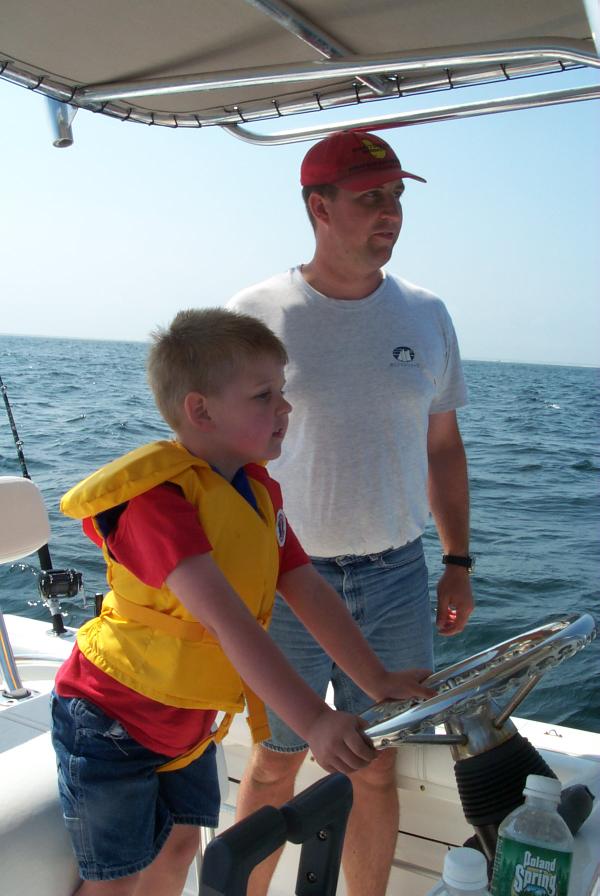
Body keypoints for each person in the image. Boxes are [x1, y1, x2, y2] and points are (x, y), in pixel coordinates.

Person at [51, 307, 433, 896]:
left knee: (181, 849)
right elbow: (230, 624)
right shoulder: (156, 503)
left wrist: (376, 679)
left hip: (188, 725)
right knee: (117, 882)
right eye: (263, 395)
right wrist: (314, 720)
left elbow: (306, 587)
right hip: (111, 722)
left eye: (282, 391)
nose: (285, 407)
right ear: (201, 410)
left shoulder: (256, 492)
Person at [228, 129, 474, 896]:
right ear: (319, 207)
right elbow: (219, 462)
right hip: (283, 579)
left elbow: (443, 448)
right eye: (370, 197)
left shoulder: (427, 313)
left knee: (376, 765)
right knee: (276, 761)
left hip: (398, 577)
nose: (390, 212)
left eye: (396, 196)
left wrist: (458, 562)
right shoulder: (255, 314)